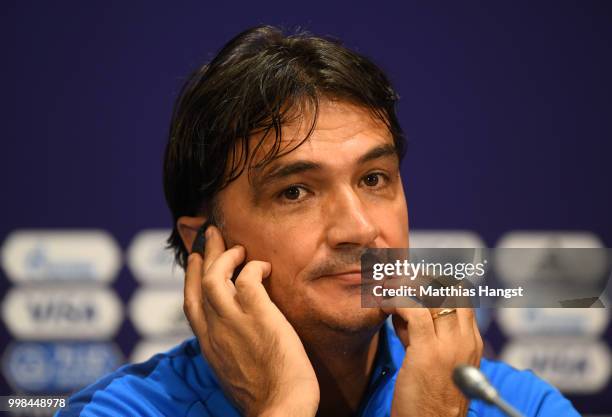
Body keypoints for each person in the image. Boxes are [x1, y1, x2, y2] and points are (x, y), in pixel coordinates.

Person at [57, 25, 580, 417]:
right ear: (203, 246)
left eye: (374, 179)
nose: (358, 228)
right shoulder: (120, 411)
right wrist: (284, 404)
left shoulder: (521, 405)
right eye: (295, 191)